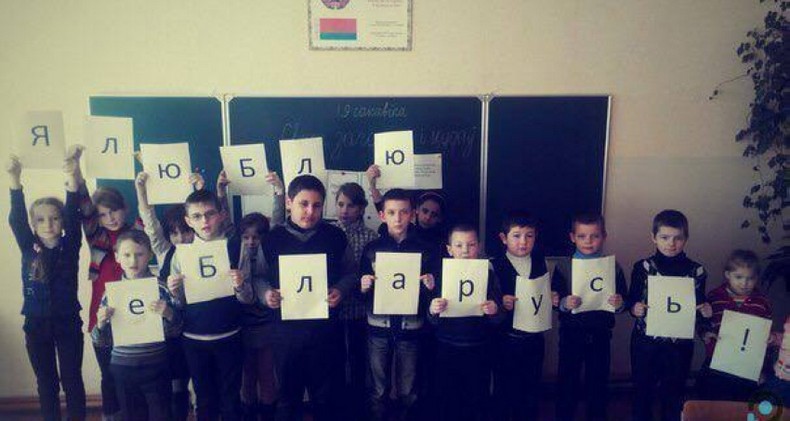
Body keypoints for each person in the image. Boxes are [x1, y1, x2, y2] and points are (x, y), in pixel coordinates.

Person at [261, 174, 357, 421]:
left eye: (317, 205)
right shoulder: (271, 239)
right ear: (289, 202)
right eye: (303, 204)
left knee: (326, 399)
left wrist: (341, 290)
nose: (310, 212)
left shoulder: (335, 237)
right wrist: (265, 294)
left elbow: (351, 273)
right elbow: (258, 277)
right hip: (286, 335)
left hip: (326, 333)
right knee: (287, 398)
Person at [7, 153, 86, 421]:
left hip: (67, 322)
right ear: (33, 224)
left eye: (54, 218)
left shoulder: (70, 244)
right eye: (40, 220)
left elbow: (74, 214)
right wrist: (14, 179)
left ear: (62, 222)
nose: (48, 224)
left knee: (71, 378)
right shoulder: (28, 246)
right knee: (46, 381)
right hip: (36, 324)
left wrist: (71, 177)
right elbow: (16, 219)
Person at [167, 189, 253, 421]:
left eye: (210, 214)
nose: (204, 221)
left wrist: (240, 285)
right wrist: (175, 291)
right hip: (194, 339)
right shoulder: (181, 254)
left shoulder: (236, 247)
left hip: (230, 336)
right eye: (197, 216)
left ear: (221, 215)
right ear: (188, 221)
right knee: (205, 399)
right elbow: (178, 304)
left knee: (231, 398)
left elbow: (248, 298)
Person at [359, 188, 437, 420]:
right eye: (392, 212)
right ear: (382, 215)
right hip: (378, 325)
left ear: (412, 214)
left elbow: (433, 293)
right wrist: (363, 286)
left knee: (408, 386)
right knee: (378, 386)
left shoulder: (425, 249)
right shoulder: (372, 249)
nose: (398, 218)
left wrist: (430, 285)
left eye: (404, 212)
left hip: (410, 325)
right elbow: (361, 292)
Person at [628, 209, 712, 421]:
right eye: (664, 237)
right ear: (653, 237)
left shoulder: (697, 271)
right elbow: (632, 300)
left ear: (686, 239)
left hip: (679, 346)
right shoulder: (643, 267)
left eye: (678, 238)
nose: (671, 244)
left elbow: (698, 308)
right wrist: (634, 308)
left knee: (673, 396)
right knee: (642, 393)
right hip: (645, 342)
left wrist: (705, 312)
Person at [93, 230, 182, 420]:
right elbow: (101, 340)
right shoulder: (111, 293)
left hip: (156, 365)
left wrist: (169, 314)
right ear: (117, 257)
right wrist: (100, 323)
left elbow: (176, 331)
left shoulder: (161, 289)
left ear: (150, 255)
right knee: (131, 415)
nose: (133, 261)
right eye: (126, 255)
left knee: (162, 414)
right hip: (123, 367)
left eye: (139, 254)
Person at [552, 213, 627, 421]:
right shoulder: (564, 266)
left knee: (598, 383)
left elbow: (624, 301)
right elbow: (554, 300)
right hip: (571, 334)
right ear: (572, 237)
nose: (588, 241)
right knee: (567, 381)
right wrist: (565, 302)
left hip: (601, 334)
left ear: (604, 236)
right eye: (582, 236)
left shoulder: (613, 267)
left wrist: (619, 303)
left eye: (595, 236)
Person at [428, 223, 503, 421]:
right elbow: (431, 318)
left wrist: (494, 310)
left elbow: (499, 317)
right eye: (459, 245)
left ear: (478, 247)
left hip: (478, 346)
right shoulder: (440, 274)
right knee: (448, 397)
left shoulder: (488, 273)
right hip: (447, 345)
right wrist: (433, 309)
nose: (465, 251)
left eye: (471, 245)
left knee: (477, 397)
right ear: (449, 249)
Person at [491, 211, 559, 421]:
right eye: (516, 236)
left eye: (529, 236)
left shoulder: (541, 262)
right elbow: (488, 301)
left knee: (530, 388)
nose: (523, 242)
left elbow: (545, 294)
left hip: (534, 340)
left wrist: (552, 297)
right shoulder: (495, 265)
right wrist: (501, 302)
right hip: (505, 340)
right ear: (503, 238)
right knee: (504, 388)